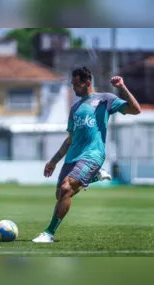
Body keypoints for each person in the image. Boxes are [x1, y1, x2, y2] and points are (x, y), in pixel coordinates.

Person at [32, 67, 141, 243]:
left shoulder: (105, 99)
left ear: (87, 83)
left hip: (94, 154)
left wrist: (122, 87)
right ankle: (94, 176)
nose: (73, 88)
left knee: (67, 188)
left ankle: (49, 234)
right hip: (73, 157)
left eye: (76, 84)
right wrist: (53, 161)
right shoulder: (75, 108)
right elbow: (70, 139)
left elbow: (135, 110)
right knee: (60, 194)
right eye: (72, 84)